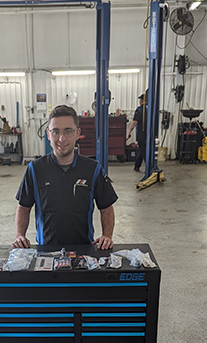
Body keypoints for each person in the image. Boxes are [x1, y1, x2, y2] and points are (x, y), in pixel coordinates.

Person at [13, 105, 117, 250]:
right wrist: (19, 235)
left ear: (77, 133)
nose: (62, 138)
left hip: (84, 251)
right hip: (46, 250)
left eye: (68, 131)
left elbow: (106, 207)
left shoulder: (93, 169)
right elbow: (23, 207)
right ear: (48, 134)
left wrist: (107, 236)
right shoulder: (35, 170)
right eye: (55, 131)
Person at [127, 94, 146, 172]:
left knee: (142, 151)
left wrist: (129, 133)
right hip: (150, 134)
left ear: (141, 100)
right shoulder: (151, 109)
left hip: (142, 134)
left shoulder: (139, 109)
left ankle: (143, 167)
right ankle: (138, 166)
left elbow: (134, 122)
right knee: (144, 150)